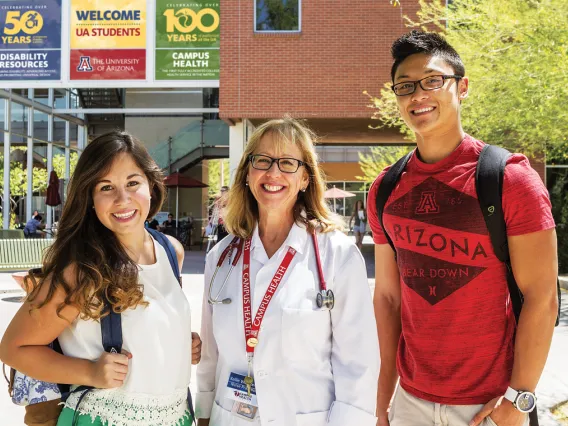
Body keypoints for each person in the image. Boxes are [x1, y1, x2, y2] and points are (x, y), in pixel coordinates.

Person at [367, 30, 558, 426]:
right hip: (410, 403)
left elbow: (542, 296)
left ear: (462, 87)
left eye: (433, 81)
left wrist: (518, 400)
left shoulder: (509, 179)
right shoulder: (384, 189)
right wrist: (385, 395)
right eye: (405, 86)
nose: (418, 95)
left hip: (488, 405)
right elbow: (387, 298)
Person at [0, 131, 202, 426]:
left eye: (133, 183)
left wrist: (178, 342)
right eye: (106, 187)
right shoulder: (82, 270)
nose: (123, 199)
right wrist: (90, 373)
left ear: (151, 187)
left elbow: (149, 321)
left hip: (176, 416)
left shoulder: (171, 251)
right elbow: (13, 348)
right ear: (90, 198)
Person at [196, 118, 379, 426]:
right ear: (247, 173)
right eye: (263, 160)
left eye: (288, 163)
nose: (273, 173)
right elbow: (210, 357)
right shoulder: (221, 257)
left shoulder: (337, 255)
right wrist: (203, 415)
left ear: (305, 178)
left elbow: (358, 365)